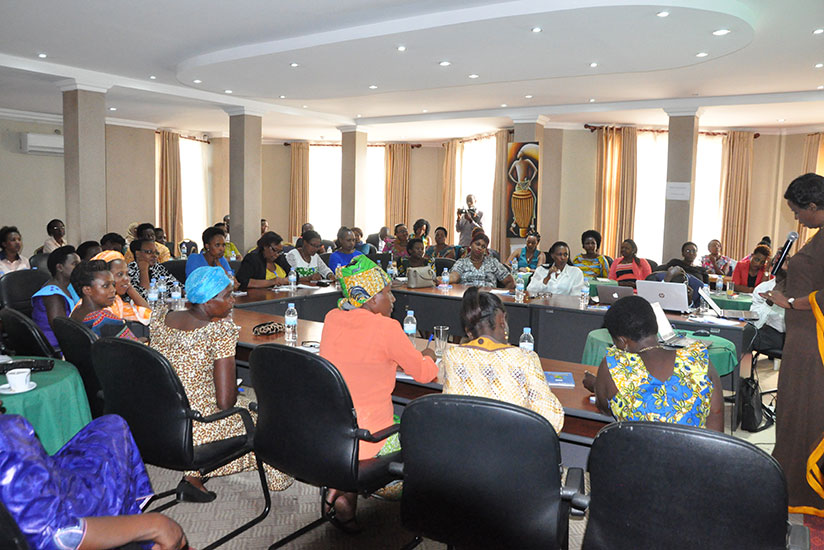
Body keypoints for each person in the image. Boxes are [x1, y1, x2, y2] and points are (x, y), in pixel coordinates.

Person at [150, 266, 293, 500]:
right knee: (268, 419)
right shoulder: (219, 331)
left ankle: (193, 477)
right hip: (200, 427)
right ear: (207, 300)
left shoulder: (160, 319)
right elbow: (226, 402)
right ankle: (278, 481)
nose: (232, 301)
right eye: (227, 295)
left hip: (163, 420)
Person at [320, 256, 438, 531]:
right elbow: (423, 374)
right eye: (387, 292)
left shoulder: (332, 317)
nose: (393, 298)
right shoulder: (386, 327)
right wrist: (430, 355)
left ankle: (344, 496)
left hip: (332, 432)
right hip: (372, 438)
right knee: (426, 437)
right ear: (371, 299)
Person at [0, 412, 187, 550]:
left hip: (39, 493)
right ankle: (132, 534)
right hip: (56, 527)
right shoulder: (6, 436)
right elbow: (58, 536)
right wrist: (155, 525)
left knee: (111, 425)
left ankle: (126, 522)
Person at [764, 172, 824, 514]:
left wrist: (790, 303)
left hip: (815, 342)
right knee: (792, 411)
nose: (796, 218)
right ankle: (788, 483)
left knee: (806, 412)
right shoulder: (816, 236)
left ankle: (804, 491)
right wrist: (787, 273)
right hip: (801, 339)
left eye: (798, 210)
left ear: (814, 205)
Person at [584, 296, 724, 432]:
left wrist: (596, 385)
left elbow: (605, 408)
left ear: (622, 341)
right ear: (656, 325)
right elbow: (716, 416)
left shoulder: (613, 365)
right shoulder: (700, 360)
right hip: (693, 453)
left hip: (636, 454)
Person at [441, 287, 564, 433]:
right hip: (511, 449)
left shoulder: (452, 355)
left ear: (469, 330)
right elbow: (552, 420)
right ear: (501, 320)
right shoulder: (525, 358)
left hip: (463, 447)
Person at [69, 260, 139, 340]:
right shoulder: (104, 319)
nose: (113, 290)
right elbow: (137, 350)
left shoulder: (76, 311)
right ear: (87, 290)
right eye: (106, 286)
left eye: (113, 284)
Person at [31, 246, 81, 348]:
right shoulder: (52, 295)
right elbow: (62, 330)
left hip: (70, 340)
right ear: (60, 267)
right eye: (75, 264)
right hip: (57, 348)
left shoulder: (70, 286)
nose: (79, 268)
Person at [92, 250, 152, 326]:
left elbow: (148, 314)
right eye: (120, 274)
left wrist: (129, 288)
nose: (126, 278)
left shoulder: (116, 301)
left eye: (127, 274)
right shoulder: (99, 305)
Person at [750, 251, 787, 352]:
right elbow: (756, 323)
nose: (781, 263)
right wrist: (769, 302)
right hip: (772, 333)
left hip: (795, 336)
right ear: (772, 267)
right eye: (777, 261)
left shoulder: (801, 289)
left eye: (786, 261)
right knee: (744, 337)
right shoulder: (762, 288)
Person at [449, 232, 514, 289]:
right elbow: (454, 277)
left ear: (485, 250)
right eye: (477, 244)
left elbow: (510, 282)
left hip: (488, 299)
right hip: (467, 298)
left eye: (483, 247)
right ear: (471, 244)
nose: (480, 248)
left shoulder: (493, 262)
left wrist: (500, 297)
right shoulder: (462, 262)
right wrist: (440, 279)